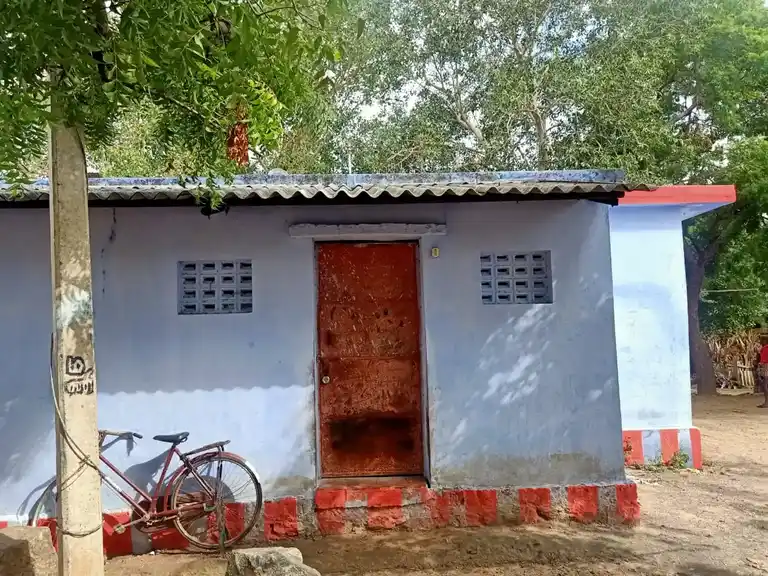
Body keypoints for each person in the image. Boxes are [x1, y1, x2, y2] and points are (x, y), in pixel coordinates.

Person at [758, 335, 768, 408]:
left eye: (761, 340)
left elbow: (764, 360)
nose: (760, 342)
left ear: (765, 341)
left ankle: (767, 402)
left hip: (766, 367)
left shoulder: (765, 348)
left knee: (765, 385)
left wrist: (760, 365)